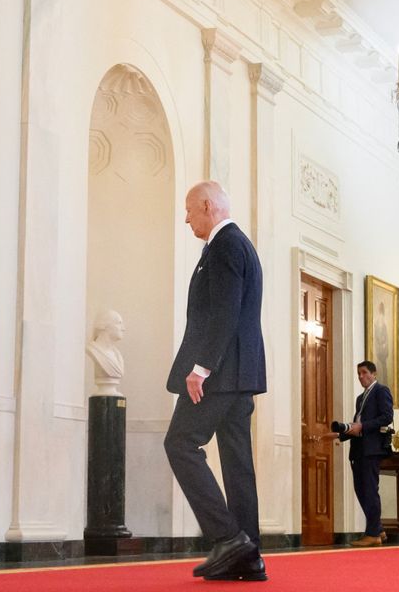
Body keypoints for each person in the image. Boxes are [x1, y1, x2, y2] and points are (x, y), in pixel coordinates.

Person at [164, 181, 268, 582]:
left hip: (220, 373)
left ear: (208, 206)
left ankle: (228, 538)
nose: (186, 217)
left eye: (189, 209)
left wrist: (201, 366)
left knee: (179, 442)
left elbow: (223, 311)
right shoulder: (239, 245)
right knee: (237, 461)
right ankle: (249, 556)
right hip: (240, 373)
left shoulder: (225, 246)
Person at [327, 360, 394, 547]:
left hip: (371, 449)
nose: (361, 377)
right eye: (358, 373)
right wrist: (339, 434)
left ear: (374, 374)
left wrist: (362, 426)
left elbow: (387, 416)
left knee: (370, 490)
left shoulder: (381, 391)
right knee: (361, 490)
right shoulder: (360, 398)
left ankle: (372, 533)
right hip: (359, 449)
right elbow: (357, 425)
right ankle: (378, 528)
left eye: (364, 373)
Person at [86, 309, 126, 396]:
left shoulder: (117, 355)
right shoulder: (93, 350)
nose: (123, 328)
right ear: (104, 325)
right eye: (119, 323)